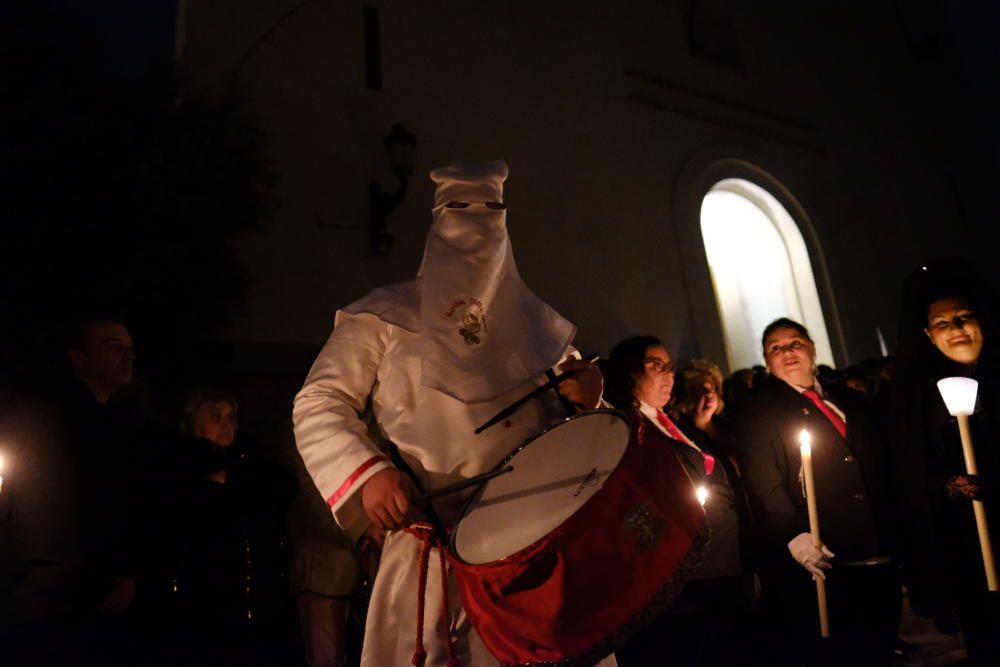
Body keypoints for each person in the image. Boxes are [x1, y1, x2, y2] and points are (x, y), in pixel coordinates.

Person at [293, 161, 607, 666]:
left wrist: (592, 401)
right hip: (431, 551)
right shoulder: (383, 316)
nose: (476, 224)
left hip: (537, 559)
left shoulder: (537, 329)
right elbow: (319, 400)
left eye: (492, 212)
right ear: (438, 222)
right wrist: (368, 474)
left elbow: (593, 439)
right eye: (461, 210)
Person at [736, 318, 899, 666]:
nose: (787, 352)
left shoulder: (850, 399)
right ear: (767, 361)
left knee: (881, 643)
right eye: (775, 348)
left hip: (877, 544)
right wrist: (794, 534)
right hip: (825, 553)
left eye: (794, 343)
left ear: (811, 348)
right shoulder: (759, 410)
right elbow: (764, 482)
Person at [1, 313, 154, 665]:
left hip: (96, 595)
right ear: (78, 357)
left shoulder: (122, 427)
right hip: (45, 597)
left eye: (130, 348)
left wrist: (129, 571)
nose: (128, 356)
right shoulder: (43, 420)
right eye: (114, 347)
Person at [606, 337, 749, 667]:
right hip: (685, 581)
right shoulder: (626, 427)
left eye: (671, 366)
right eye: (656, 365)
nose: (668, 373)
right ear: (629, 371)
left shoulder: (672, 423)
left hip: (721, 569)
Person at [890, 260, 1000, 664]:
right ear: (927, 336)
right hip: (970, 549)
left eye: (964, 317)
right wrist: (950, 484)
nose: (955, 328)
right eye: (942, 323)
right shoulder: (919, 401)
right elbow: (913, 474)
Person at [166, 387, 296, 666]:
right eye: (215, 417)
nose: (227, 425)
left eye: (230, 417)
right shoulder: (177, 468)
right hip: (204, 599)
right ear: (191, 422)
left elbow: (282, 489)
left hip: (255, 597)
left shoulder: (250, 462)